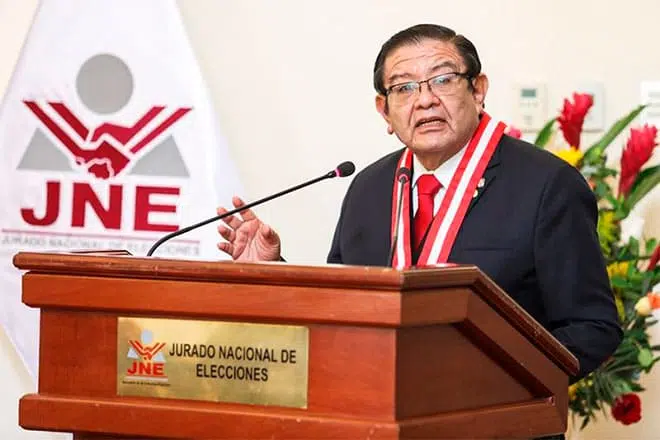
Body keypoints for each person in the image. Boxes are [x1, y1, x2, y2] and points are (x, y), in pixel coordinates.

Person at [216, 23, 622, 438]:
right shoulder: (369, 188)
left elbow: (593, 327)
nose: (425, 99)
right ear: (384, 111)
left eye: (443, 79)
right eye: (404, 87)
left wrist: (493, 387)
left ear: (478, 90)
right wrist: (273, 270)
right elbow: (344, 311)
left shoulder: (547, 185)